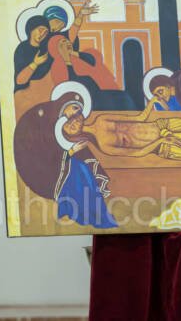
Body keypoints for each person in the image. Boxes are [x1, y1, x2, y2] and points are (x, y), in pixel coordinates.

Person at [13, 88, 117, 229]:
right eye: (74, 108)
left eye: (79, 121)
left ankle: (94, 212)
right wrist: (71, 152)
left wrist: (74, 152)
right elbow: (47, 153)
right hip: (42, 170)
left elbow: (74, 151)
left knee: (83, 171)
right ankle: (80, 211)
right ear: (65, 101)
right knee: (80, 170)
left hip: (61, 166)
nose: (75, 116)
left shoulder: (67, 131)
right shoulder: (46, 118)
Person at [47, 35, 136, 110]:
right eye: (62, 43)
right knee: (122, 101)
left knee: (124, 98)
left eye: (67, 41)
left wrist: (72, 53)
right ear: (57, 49)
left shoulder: (77, 56)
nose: (67, 43)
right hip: (86, 100)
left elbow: (92, 60)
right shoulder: (57, 65)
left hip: (98, 94)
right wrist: (66, 59)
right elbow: (70, 84)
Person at [14, 15, 52, 92]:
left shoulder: (46, 49)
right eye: (40, 30)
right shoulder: (22, 48)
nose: (42, 34)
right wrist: (35, 64)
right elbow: (20, 81)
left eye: (46, 32)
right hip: (24, 92)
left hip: (42, 90)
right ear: (31, 29)